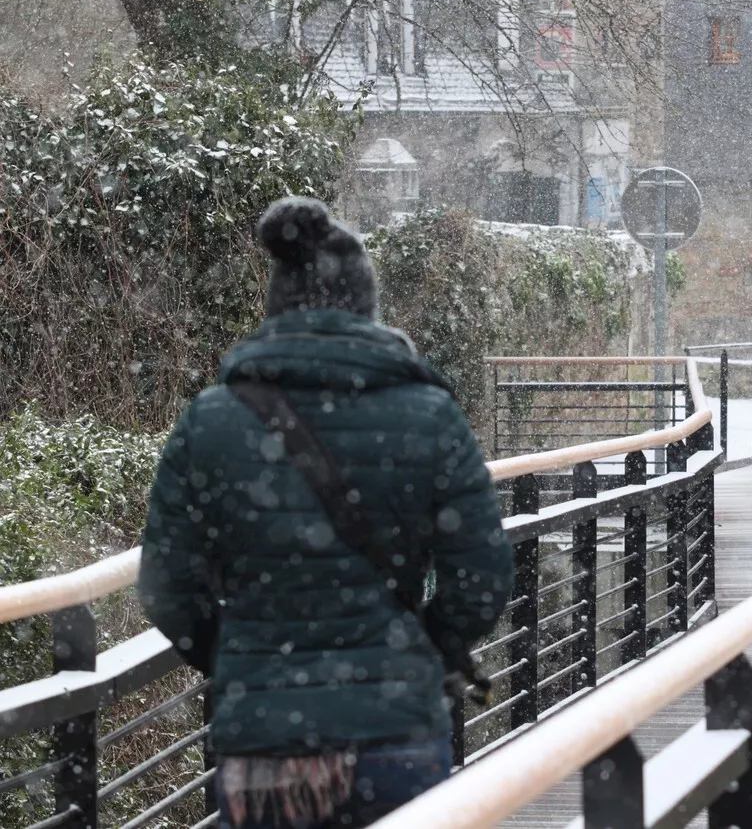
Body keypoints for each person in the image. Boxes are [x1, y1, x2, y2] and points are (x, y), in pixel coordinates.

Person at [137, 196, 513, 828]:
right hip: (397, 731)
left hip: (265, 746)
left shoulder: (212, 420)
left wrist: (239, 656)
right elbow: (482, 578)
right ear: (367, 309)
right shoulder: (428, 415)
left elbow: (167, 585)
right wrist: (426, 645)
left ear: (276, 308)